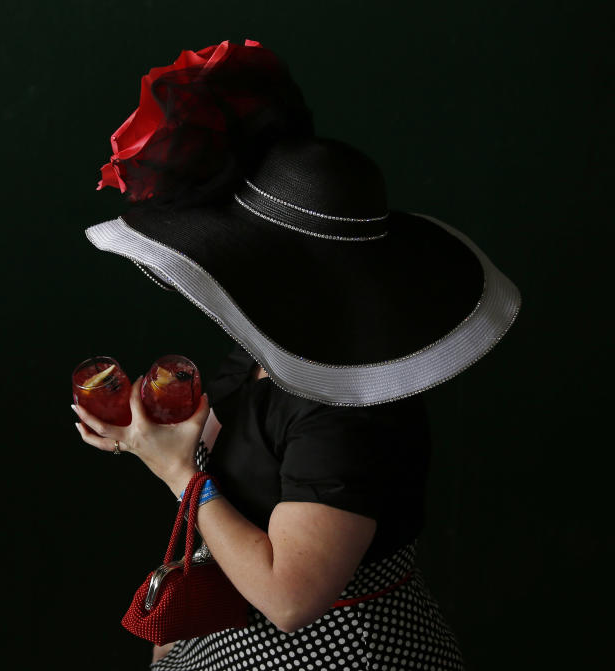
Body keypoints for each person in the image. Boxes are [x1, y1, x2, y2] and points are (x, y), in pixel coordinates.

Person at [73, 39, 520, 671]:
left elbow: (289, 598)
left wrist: (178, 476)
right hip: (233, 640)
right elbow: (242, 462)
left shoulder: (349, 417)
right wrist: (149, 435)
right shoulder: (265, 349)